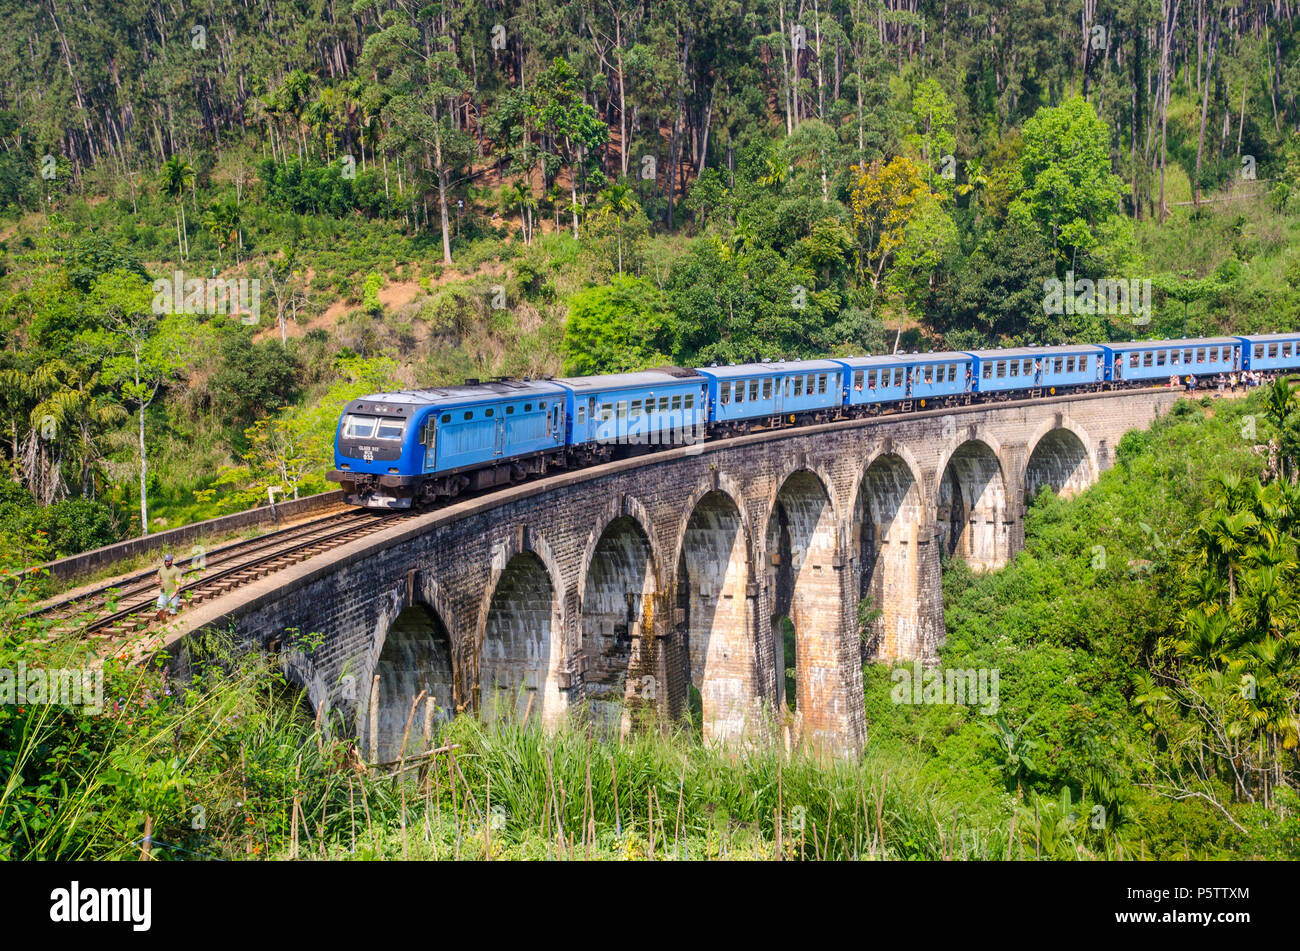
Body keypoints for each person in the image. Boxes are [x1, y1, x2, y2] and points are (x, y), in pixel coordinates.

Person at [156, 553, 183, 620]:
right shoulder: (161, 569)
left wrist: (174, 593)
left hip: (173, 593)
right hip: (163, 593)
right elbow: (157, 578)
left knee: (173, 612)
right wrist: (157, 581)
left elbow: (178, 583)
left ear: (171, 561)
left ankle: (174, 623)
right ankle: (164, 623)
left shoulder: (176, 570)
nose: (166, 562)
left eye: (168, 561)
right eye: (165, 561)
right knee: (158, 610)